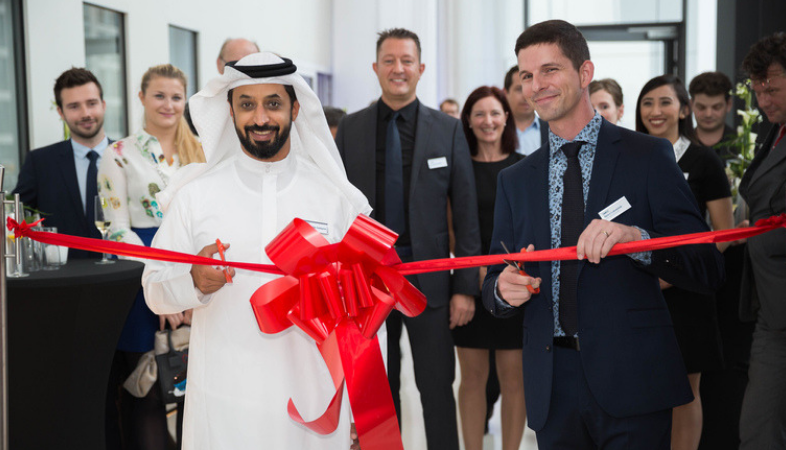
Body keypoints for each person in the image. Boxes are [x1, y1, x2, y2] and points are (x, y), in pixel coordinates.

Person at [482, 20, 725, 450]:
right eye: (526, 76)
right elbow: (494, 280)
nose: (536, 85)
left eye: (550, 70)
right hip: (551, 385)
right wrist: (503, 289)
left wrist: (637, 240)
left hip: (633, 377)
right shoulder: (515, 180)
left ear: (585, 73)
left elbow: (706, 266)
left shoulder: (647, 156)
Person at [142, 52, 371, 450]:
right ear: (230, 111)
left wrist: (360, 408)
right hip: (225, 400)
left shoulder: (335, 199)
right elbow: (154, 291)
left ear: (295, 109)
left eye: (273, 103)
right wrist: (193, 281)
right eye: (247, 104)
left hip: (314, 403)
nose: (260, 118)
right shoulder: (195, 196)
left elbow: (365, 309)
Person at [335, 28, 480, 450]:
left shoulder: (447, 129)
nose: (398, 69)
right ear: (375, 67)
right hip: (367, 283)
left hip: (428, 282)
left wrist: (464, 288)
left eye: (406, 61)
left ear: (421, 68)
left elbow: (466, 213)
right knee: (379, 390)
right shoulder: (351, 129)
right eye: (389, 60)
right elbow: (336, 207)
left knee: (436, 388)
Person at [99, 63, 204, 450]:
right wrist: (163, 285)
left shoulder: (203, 151)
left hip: (199, 280)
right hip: (142, 283)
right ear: (141, 97)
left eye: (176, 97)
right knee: (148, 397)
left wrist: (188, 288)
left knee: (197, 394)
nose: (168, 104)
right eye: (159, 95)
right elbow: (116, 230)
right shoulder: (118, 154)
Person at [635, 74, 733, 450]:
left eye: (665, 102)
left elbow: (723, 233)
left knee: (686, 391)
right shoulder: (630, 158)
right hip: (640, 287)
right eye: (648, 103)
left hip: (688, 292)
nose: (655, 111)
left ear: (683, 109)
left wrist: (678, 273)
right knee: (643, 389)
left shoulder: (703, 159)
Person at [453, 86, 525, 450]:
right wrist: (476, 273)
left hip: (514, 284)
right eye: (479, 114)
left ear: (506, 118)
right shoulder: (458, 167)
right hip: (471, 282)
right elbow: (452, 227)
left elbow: (530, 227)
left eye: (495, 113)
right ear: (468, 120)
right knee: (472, 379)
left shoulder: (524, 166)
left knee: (514, 380)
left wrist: (507, 274)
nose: (488, 121)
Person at [738, 31, 786, 450]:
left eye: (771, 90)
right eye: (757, 91)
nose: (763, 101)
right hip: (771, 305)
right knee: (758, 429)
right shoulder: (774, 131)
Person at [14, 67, 108, 259]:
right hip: (65, 274)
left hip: (128, 272)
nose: (86, 113)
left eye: (92, 103)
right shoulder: (39, 163)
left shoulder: (129, 158)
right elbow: (14, 216)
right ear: (61, 112)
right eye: (74, 106)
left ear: (103, 105)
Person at [503, 65, 549, 155]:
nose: (525, 96)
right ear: (505, 93)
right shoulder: (496, 131)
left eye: (531, 89)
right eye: (519, 89)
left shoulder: (553, 131)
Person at [688, 72, 735, 153]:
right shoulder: (680, 145)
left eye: (716, 107)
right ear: (691, 104)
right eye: (701, 107)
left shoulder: (744, 146)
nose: (708, 114)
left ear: (729, 105)